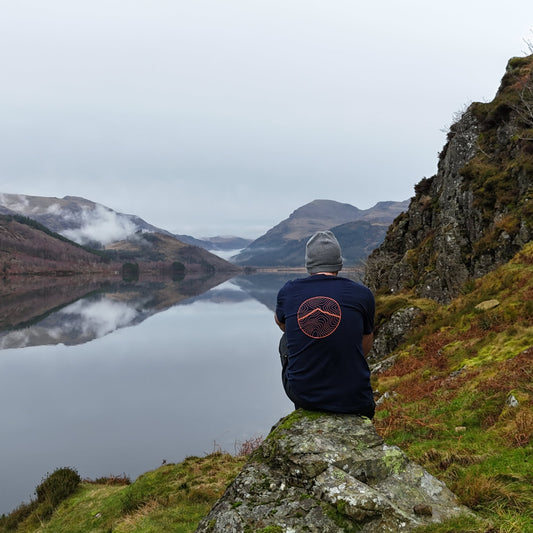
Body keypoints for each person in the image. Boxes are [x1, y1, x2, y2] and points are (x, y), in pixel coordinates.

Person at [275, 230, 376, 418]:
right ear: (339, 263)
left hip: (304, 396)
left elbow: (280, 322)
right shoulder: (362, 294)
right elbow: (366, 342)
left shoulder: (289, 291)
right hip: (356, 398)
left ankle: (307, 403)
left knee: (287, 337)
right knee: (357, 333)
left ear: (309, 264)